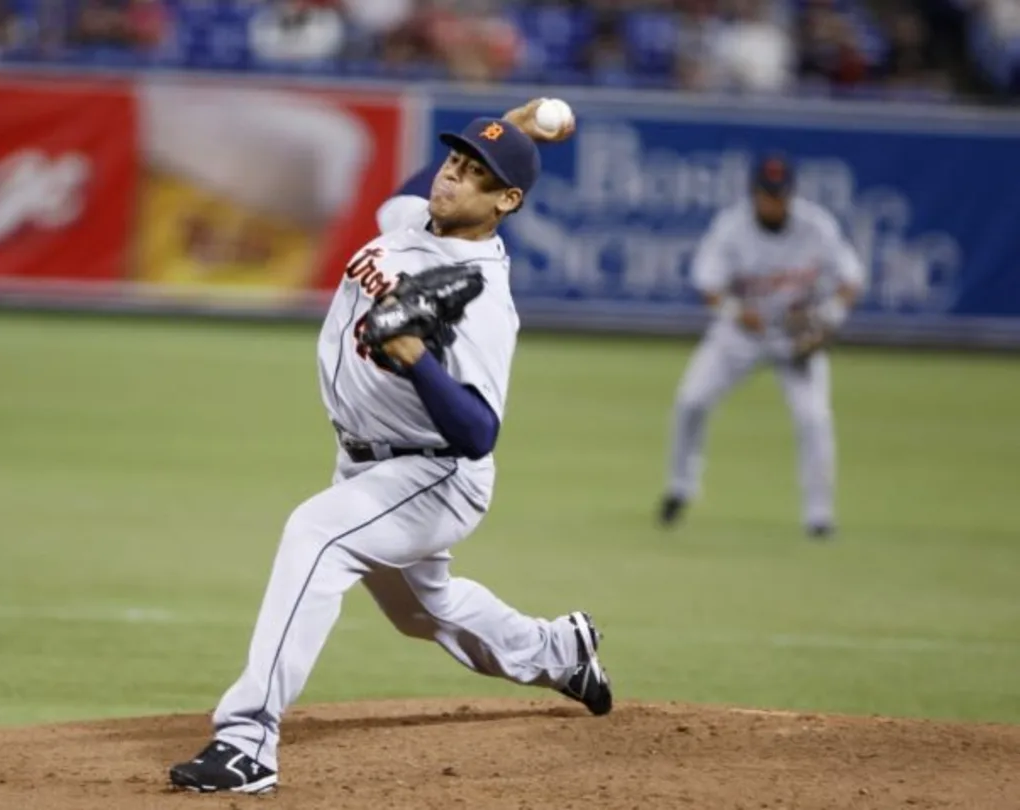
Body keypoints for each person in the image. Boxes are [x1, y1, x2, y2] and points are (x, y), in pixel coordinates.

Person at [168, 101, 613, 795]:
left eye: (475, 175)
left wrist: (415, 359)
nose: (451, 179)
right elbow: (413, 192)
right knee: (422, 612)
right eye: (454, 162)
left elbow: (477, 432)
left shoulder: (484, 299)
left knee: (315, 535)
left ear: (506, 201)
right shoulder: (417, 221)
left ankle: (248, 740)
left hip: (434, 474)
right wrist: (510, 124)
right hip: (369, 461)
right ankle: (559, 652)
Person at [658, 154, 866, 539]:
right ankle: (679, 489)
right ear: (754, 194)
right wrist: (737, 311)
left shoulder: (816, 227)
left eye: (780, 194)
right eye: (767, 194)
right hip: (739, 338)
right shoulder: (732, 228)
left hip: (795, 337)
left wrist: (829, 319)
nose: (774, 201)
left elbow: (850, 278)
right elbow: (707, 285)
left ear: (791, 194)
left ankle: (819, 517)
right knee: (691, 402)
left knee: (815, 420)